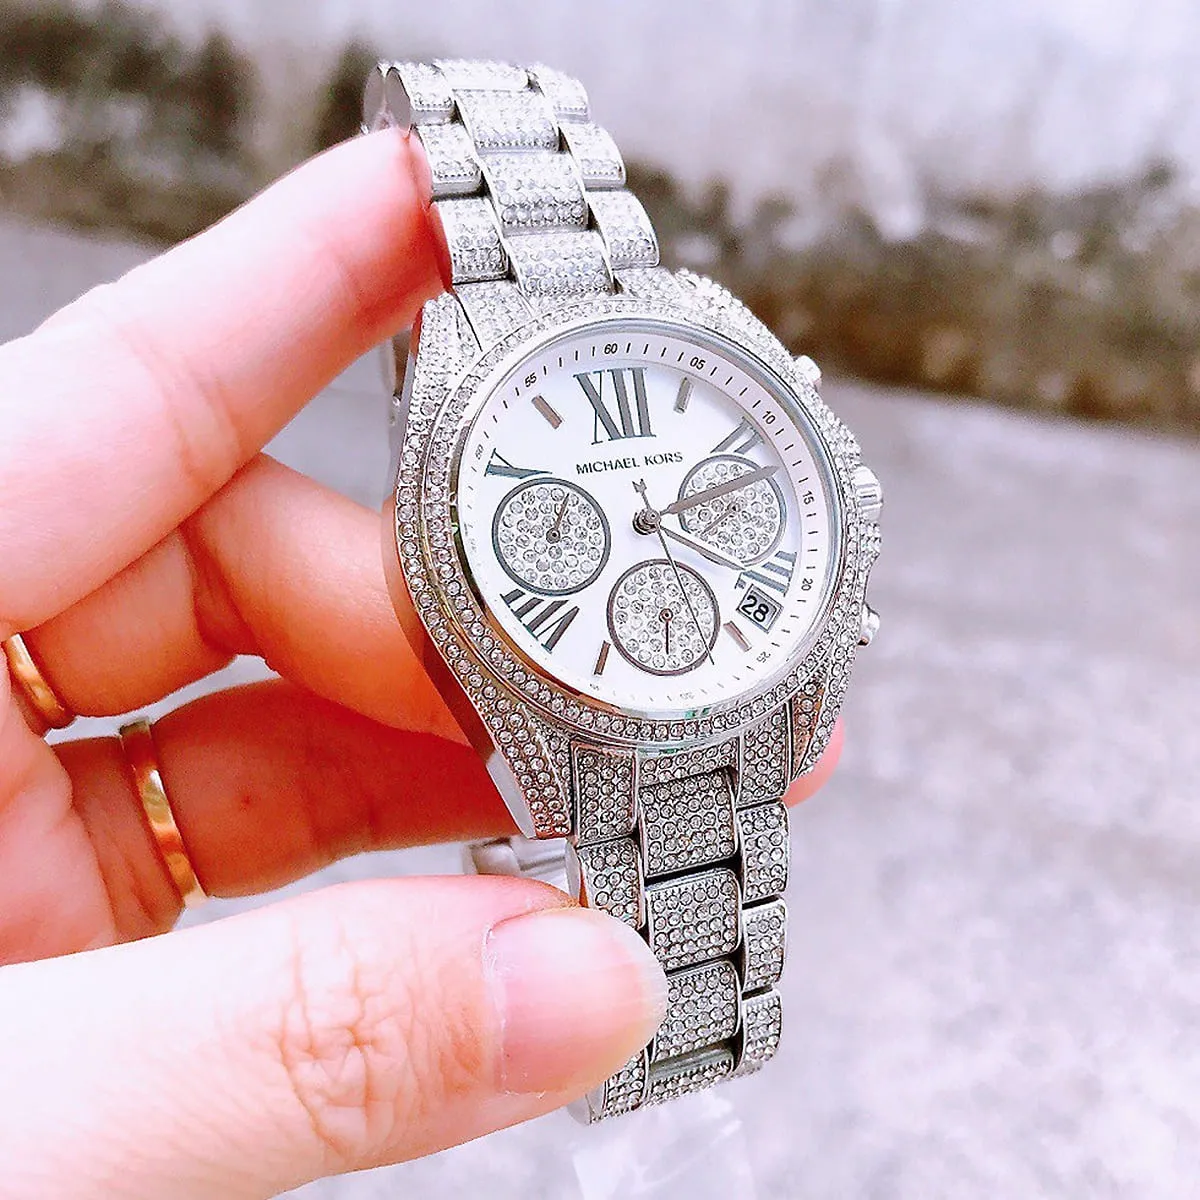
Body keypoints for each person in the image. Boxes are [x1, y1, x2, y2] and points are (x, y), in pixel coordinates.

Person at [0, 129, 841, 1198]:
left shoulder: (706, 356)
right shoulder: (461, 392)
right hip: (576, 709)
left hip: (735, 690)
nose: (643, 514)